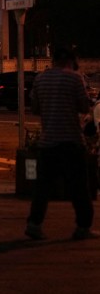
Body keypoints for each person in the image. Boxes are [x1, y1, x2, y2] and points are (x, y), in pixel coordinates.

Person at [26, 46, 97, 240]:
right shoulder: (75, 78)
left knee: (42, 187)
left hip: (48, 142)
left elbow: (35, 108)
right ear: (72, 61)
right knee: (79, 187)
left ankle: (34, 223)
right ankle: (83, 227)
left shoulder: (41, 79)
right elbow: (83, 106)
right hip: (71, 141)